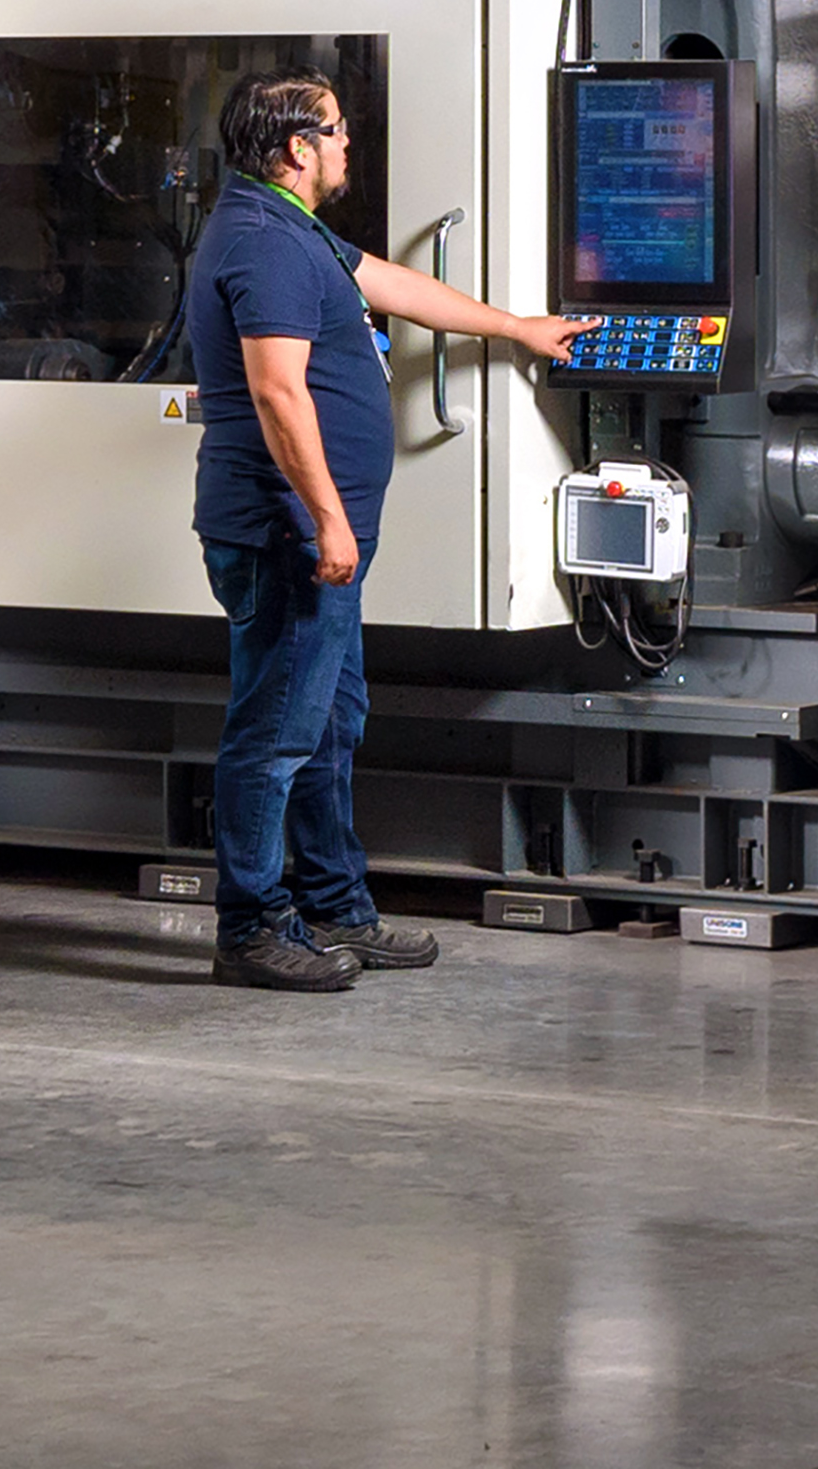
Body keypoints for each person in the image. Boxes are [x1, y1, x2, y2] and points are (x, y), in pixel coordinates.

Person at [184, 71, 593, 993]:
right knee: (277, 732)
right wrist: (329, 519)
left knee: (328, 723)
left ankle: (336, 908)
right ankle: (249, 927)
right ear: (297, 149)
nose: (346, 145)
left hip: (316, 540)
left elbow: (390, 282)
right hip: (287, 536)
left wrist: (513, 326)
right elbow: (276, 392)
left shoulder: (291, 227)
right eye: (335, 132)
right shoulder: (264, 241)